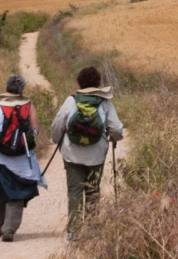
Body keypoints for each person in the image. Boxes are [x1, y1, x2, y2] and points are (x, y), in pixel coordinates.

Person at [50, 66, 124, 240]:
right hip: (96, 155)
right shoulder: (105, 102)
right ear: (98, 83)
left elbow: (58, 124)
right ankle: (92, 229)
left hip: (72, 153)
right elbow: (116, 128)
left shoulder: (71, 100)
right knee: (92, 191)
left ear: (80, 82)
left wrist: (56, 140)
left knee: (74, 190)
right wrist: (114, 138)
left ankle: (73, 231)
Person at [0, 74, 46, 242]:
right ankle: (9, 228)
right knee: (16, 193)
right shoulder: (29, 106)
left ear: (6, 87)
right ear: (22, 89)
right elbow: (35, 130)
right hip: (22, 160)